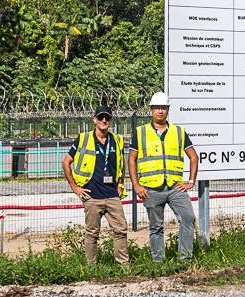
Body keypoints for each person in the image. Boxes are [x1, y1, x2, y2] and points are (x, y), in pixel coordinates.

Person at [129, 91, 199, 262]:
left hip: (175, 187)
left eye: (163, 108)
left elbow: (194, 157)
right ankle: (159, 263)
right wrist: (136, 186)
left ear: (168, 110)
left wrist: (190, 181)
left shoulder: (178, 132)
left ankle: (184, 259)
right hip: (151, 188)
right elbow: (131, 160)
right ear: (151, 110)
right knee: (156, 227)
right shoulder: (141, 132)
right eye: (156, 108)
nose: (160, 111)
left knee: (188, 218)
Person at [63, 105, 129, 266]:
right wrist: (75, 188)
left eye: (107, 118)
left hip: (112, 194)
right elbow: (66, 163)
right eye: (101, 118)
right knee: (92, 233)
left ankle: (124, 266)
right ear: (94, 120)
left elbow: (122, 164)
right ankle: (90, 267)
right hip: (92, 195)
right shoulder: (84, 138)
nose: (104, 120)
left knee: (121, 230)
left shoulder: (117, 139)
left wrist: (121, 183)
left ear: (111, 120)